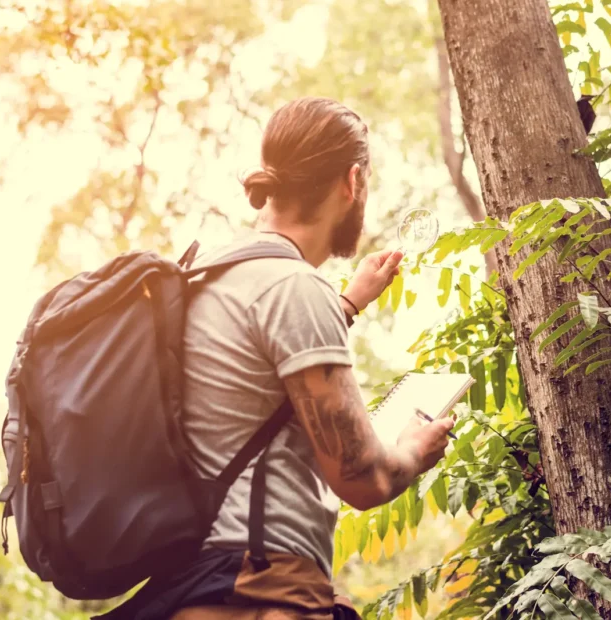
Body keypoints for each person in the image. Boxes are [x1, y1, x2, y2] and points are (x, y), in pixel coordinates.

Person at [112, 97, 454, 620]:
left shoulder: (208, 274)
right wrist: (412, 448)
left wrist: (348, 304)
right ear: (351, 182)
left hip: (192, 584)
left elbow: (254, 380)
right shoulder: (295, 289)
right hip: (257, 588)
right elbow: (362, 478)